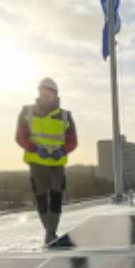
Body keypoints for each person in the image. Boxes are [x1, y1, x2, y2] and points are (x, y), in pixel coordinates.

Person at [15, 77, 78, 245]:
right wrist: (34, 148)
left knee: (57, 198)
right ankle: (50, 234)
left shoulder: (65, 116)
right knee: (41, 198)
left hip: (57, 164)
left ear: (55, 94)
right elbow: (20, 137)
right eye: (42, 91)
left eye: (48, 92)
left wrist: (63, 150)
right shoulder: (27, 112)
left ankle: (50, 234)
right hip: (37, 163)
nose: (45, 95)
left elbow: (72, 140)